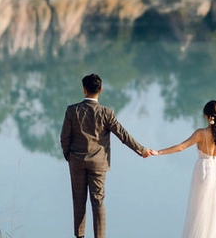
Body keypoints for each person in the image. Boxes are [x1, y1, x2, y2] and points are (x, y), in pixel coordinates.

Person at [60, 73, 151, 238]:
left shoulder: (72, 110)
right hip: (99, 163)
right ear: (100, 89)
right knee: (98, 201)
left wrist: (70, 157)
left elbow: (64, 138)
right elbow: (123, 135)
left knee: (79, 199)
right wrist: (141, 150)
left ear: (84, 90)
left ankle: (79, 236)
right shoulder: (106, 113)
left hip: (77, 162)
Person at [150, 100, 216, 238]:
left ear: (206, 115)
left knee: (201, 211)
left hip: (204, 172)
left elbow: (181, 147)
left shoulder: (201, 133)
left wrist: (159, 152)